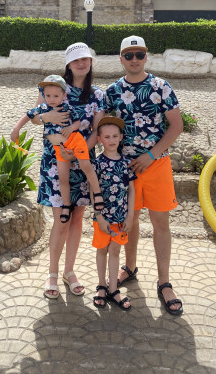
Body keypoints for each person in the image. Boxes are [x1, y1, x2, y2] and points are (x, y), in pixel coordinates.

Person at [10, 42, 105, 299]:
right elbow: (35, 117)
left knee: (77, 219)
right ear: (68, 64)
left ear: (90, 62)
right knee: (61, 220)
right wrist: (47, 118)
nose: (81, 63)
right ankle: (52, 273)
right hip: (55, 161)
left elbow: (97, 130)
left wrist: (81, 150)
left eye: (85, 59)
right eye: (76, 60)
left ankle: (69, 271)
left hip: (82, 159)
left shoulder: (97, 94)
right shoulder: (54, 85)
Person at [105, 35, 184, 316]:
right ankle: (129, 267)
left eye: (139, 54)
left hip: (157, 164)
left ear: (146, 56)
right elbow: (100, 126)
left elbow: (176, 125)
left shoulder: (161, 87)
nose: (134, 59)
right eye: (129, 55)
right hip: (126, 168)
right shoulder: (113, 91)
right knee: (131, 220)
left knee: (160, 221)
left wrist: (151, 154)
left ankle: (164, 281)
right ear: (121, 59)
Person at [24, 74, 104, 223]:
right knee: (63, 180)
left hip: (77, 144)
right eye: (49, 95)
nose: (52, 98)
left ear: (63, 95)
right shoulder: (52, 86)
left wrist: (70, 130)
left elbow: (88, 126)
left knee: (86, 167)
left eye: (56, 96)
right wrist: (46, 117)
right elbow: (32, 116)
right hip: (57, 151)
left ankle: (97, 193)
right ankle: (66, 205)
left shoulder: (91, 96)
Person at [91, 115, 136, 311]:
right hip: (103, 219)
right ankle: (102, 286)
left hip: (121, 218)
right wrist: (99, 217)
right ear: (99, 139)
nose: (111, 140)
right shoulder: (97, 163)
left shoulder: (126, 162)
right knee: (102, 250)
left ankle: (113, 289)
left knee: (115, 251)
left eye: (115, 136)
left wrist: (130, 216)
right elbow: (93, 191)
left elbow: (132, 190)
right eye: (107, 136)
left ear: (121, 137)